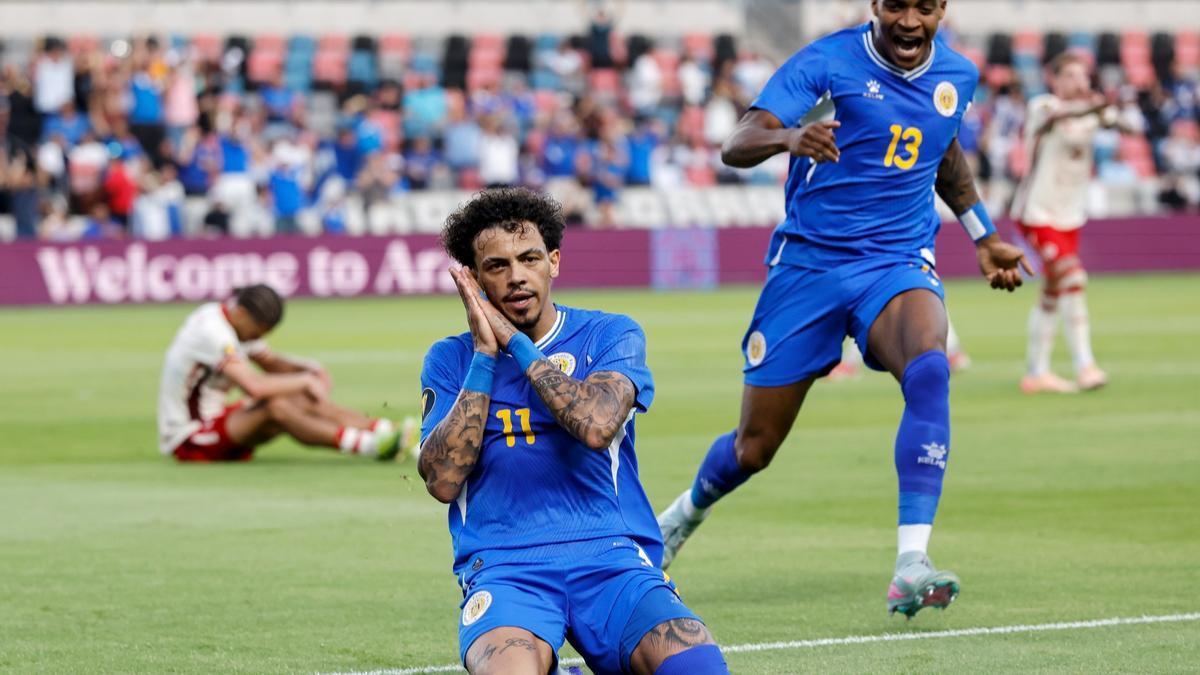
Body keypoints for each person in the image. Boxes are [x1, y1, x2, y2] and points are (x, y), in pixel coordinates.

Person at [655, 0, 1032, 619]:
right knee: (754, 448)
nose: (909, 21)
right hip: (810, 267)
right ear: (875, 6)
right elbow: (737, 142)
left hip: (896, 260)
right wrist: (787, 136)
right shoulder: (827, 62)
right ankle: (682, 514)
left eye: (925, 8)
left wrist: (983, 234)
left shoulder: (957, 76)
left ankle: (912, 562)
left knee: (930, 368)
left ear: (942, 11)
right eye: (896, 6)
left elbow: (943, 151)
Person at [418, 188, 727, 675]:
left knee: (698, 668)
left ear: (554, 261)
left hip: (613, 557)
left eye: (529, 258)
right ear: (474, 280)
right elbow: (442, 482)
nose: (517, 275)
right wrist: (483, 356)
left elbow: (596, 424)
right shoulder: (450, 359)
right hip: (505, 568)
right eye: (497, 266)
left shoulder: (610, 335)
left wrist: (515, 345)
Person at [157, 284, 415, 462]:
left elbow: (272, 363)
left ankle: (385, 430)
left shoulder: (233, 321)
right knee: (276, 405)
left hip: (217, 419)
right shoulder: (213, 333)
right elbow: (254, 386)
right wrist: (304, 382)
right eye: (258, 332)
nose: (260, 338)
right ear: (243, 314)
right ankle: (368, 445)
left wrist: (311, 369)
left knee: (294, 398)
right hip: (189, 437)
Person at [1011, 51, 1131, 394]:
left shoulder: (1093, 114)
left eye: (1083, 76)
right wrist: (1096, 107)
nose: (1079, 82)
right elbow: (1060, 116)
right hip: (1037, 212)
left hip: (1069, 214)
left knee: (1052, 291)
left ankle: (1037, 372)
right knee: (1074, 277)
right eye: (1072, 76)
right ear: (1056, 80)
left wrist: (1111, 113)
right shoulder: (1043, 106)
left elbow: (1131, 126)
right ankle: (1085, 365)